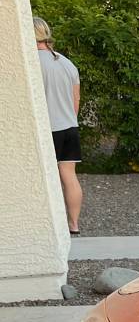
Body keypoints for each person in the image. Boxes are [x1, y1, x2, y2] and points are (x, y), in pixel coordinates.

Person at [34, 17, 82, 235]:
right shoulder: (66, 62)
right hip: (70, 128)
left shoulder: (31, 62)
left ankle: (46, 226)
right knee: (69, 176)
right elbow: (76, 99)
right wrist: (70, 120)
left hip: (47, 129)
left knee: (43, 179)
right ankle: (74, 225)